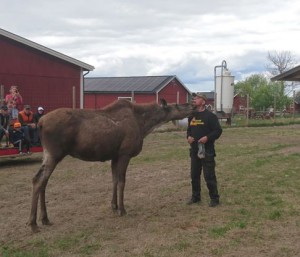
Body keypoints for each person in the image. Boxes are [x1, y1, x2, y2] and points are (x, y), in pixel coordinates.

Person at [186, 93, 223, 207]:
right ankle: (196, 197)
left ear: (203, 101)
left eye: (197, 98)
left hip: (207, 150)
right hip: (194, 150)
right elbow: (189, 131)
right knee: (194, 175)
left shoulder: (210, 116)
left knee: (209, 176)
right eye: (194, 98)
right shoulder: (192, 116)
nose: (194, 100)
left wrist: (207, 138)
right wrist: (188, 137)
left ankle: (214, 198)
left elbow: (218, 131)